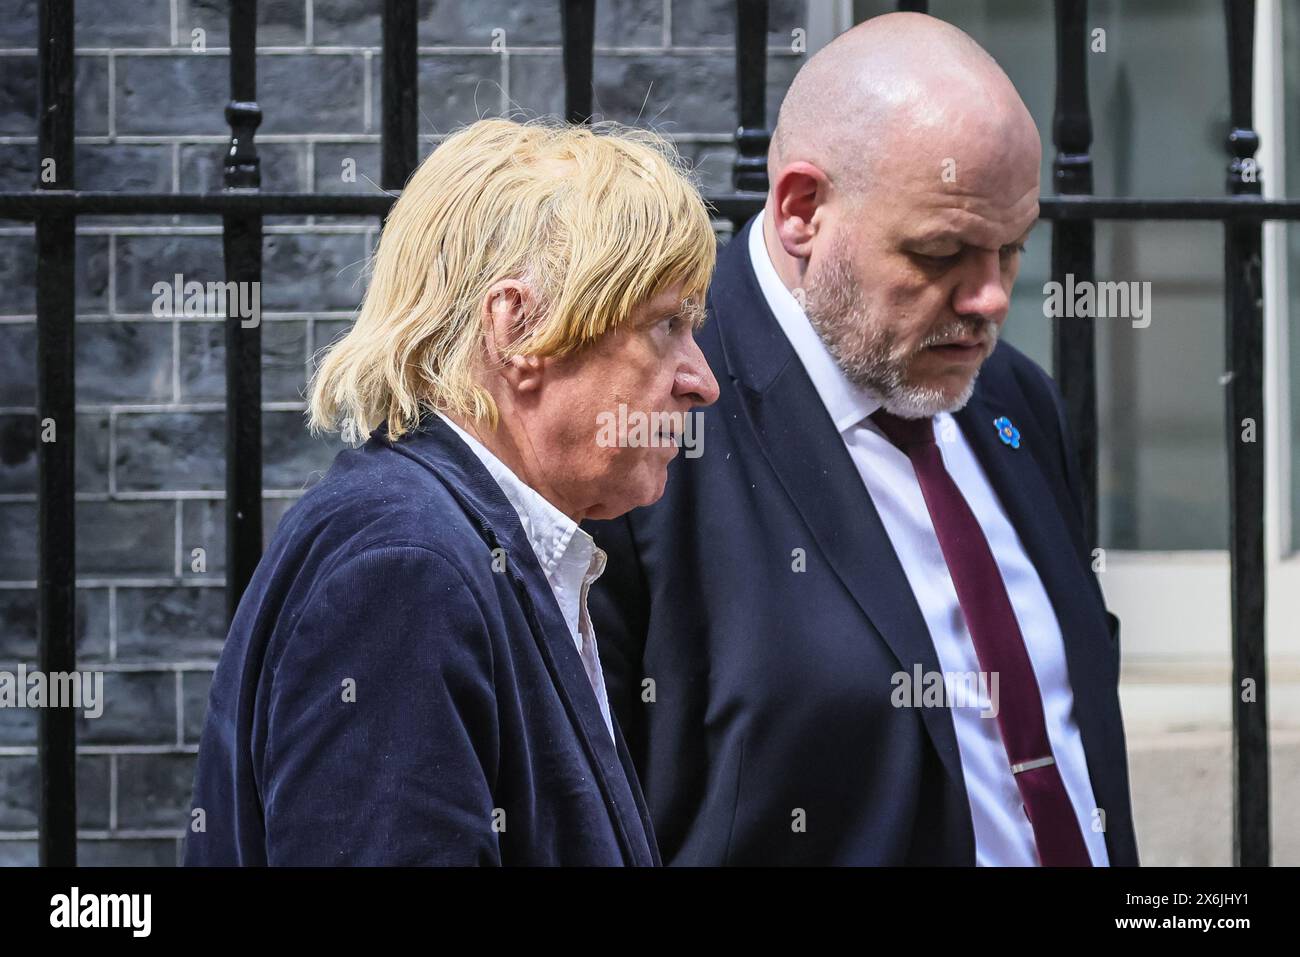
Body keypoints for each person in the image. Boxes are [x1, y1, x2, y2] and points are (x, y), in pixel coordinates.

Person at [585, 12, 1140, 866]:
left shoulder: (1015, 398)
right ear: (802, 209)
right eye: (943, 251)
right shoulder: (652, 421)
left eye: (1012, 250)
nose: (990, 297)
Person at [185, 117, 720, 865]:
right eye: (665, 325)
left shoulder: (459, 541)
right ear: (518, 328)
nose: (702, 381)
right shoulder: (406, 567)